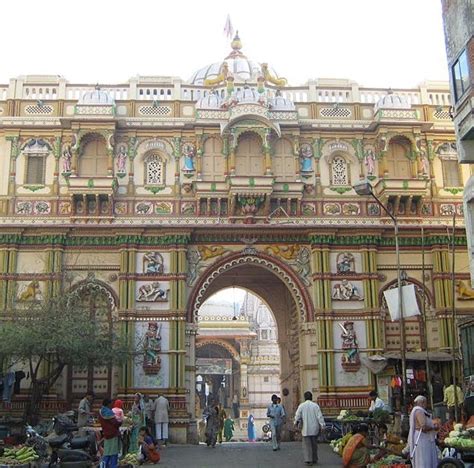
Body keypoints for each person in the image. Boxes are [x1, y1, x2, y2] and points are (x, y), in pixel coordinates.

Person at [294, 391, 325, 466]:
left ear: (305, 398)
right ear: (311, 397)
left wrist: (295, 423)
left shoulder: (302, 405)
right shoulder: (315, 406)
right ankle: (314, 458)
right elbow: (319, 416)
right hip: (314, 428)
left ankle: (308, 460)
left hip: (305, 429)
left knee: (307, 445)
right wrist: (322, 425)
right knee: (314, 444)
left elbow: (297, 415)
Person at [407, 395, 439, 468]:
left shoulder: (417, 410)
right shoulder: (419, 411)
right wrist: (433, 427)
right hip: (422, 438)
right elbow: (423, 427)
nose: (426, 405)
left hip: (421, 437)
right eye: (425, 403)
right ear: (422, 402)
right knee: (424, 458)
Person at [99, 398, 122, 468]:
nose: (112, 405)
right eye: (111, 403)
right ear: (108, 404)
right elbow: (115, 423)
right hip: (113, 434)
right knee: (113, 454)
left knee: (107, 453)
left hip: (106, 434)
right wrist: (120, 422)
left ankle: (103, 466)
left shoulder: (101, 411)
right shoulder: (109, 412)